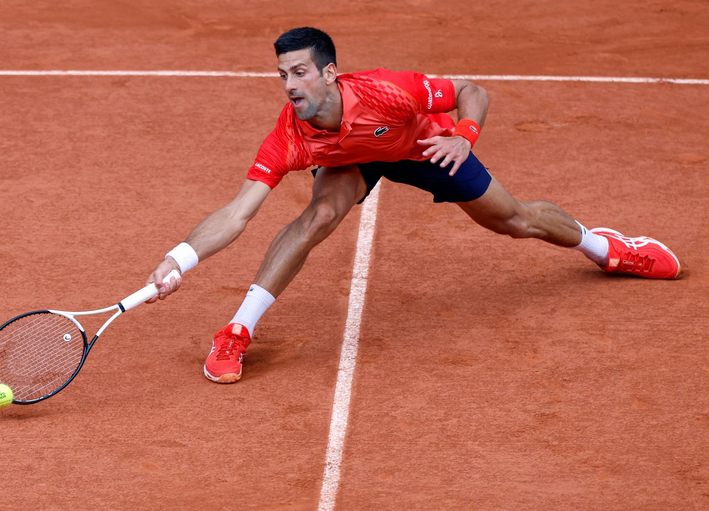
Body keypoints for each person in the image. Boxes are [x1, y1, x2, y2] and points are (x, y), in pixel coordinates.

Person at [145, 27, 681, 384]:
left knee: (514, 221)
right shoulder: (290, 136)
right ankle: (238, 330)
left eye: (300, 72)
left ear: (329, 73)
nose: (289, 85)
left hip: (423, 146)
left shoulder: (387, 91)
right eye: (283, 74)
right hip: (349, 159)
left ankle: (604, 246)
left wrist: (464, 137)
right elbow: (238, 213)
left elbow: (472, 89)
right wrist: (180, 258)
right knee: (318, 216)